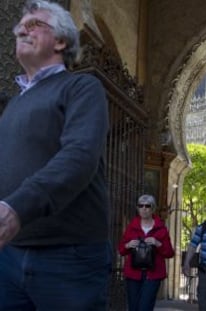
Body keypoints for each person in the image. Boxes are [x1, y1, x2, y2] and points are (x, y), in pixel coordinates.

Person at [0, 1, 112, 310]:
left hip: (68, 258)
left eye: (35, 24)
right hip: (10, 255)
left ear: (61, 41)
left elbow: (79, 156)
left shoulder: (81, 88)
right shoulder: (13, 105)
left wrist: (15, 208)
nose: (22, 28)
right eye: (19, 25)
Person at [118, 194, 174, 311]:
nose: (144, 208)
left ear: (153, 208)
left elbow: (169, 253)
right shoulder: (131, 227)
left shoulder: (161, 228)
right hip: (133, 273)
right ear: (137, 208)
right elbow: (121, 250)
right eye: (140, 206)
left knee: (145, 307)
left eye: (147, 206)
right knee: (133, 307)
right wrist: (128, 245)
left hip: (153, 274)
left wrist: (158, 243)